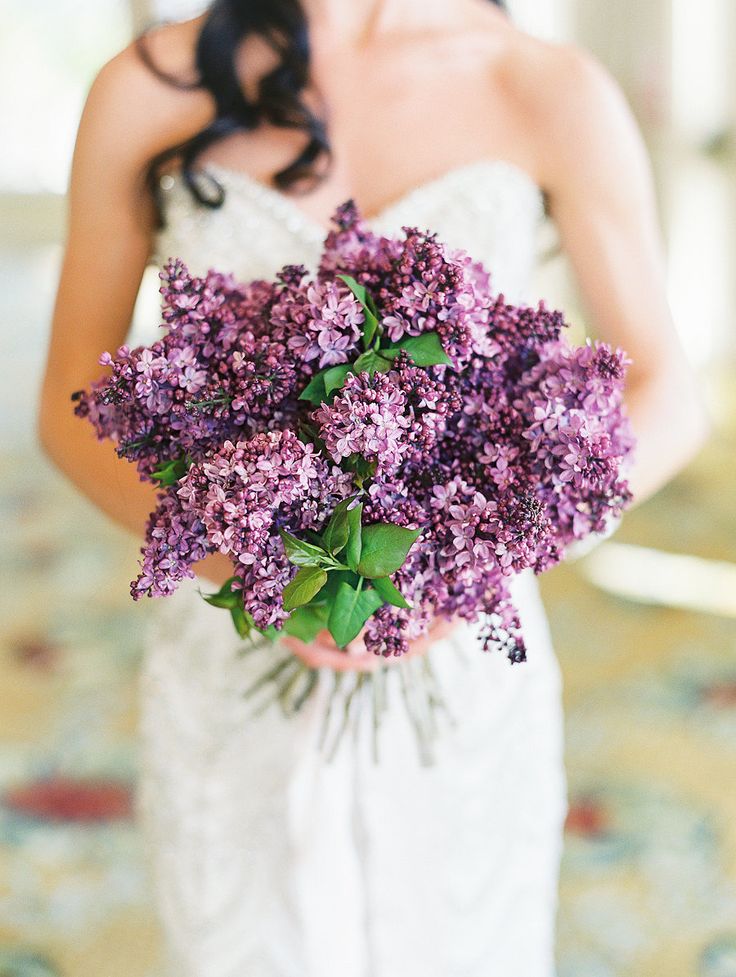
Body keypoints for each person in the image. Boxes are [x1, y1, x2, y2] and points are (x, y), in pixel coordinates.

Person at [37, 1, 709, 974]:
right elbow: (72, 405)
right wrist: (263, 566)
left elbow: (667, 395)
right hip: (228, 649)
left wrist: (460, 560)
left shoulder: (547, 88)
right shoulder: (148, 86)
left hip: (464, 657)